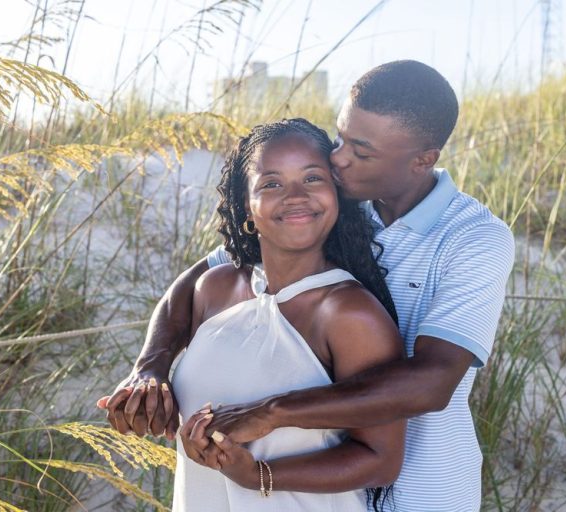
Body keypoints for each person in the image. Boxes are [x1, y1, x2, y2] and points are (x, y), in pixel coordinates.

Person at [98, 60, 515, 511]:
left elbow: (432, 383)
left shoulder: (473, 239)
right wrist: (151, 365)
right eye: (340, 137)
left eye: (361, 150)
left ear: (422, 160)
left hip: (422, 489)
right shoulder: (334, 202)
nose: (337, 158)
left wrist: (271, 413)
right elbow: (197, 281)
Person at [109, 118, 407, 511]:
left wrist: (259, 475)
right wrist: (147, 402)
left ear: (337, 196)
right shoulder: (214, 289)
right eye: (271, 183)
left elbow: (381, 461)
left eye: (313, 178)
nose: (296, 195)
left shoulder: (350, 313)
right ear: (246, 207)